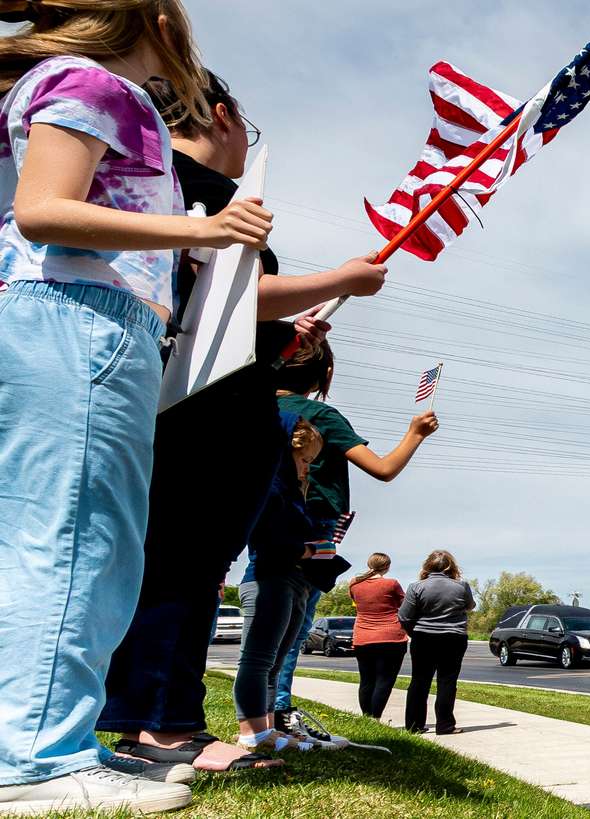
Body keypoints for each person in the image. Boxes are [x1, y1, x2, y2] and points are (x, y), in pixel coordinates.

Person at [0, 1, 267, 813]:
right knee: (82, 539)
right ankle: (38, 759)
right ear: (156, 16)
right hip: (84, 318)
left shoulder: (62, 84)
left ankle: (49, 741)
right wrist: (206, 231)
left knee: (60, 537)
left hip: (65, 318)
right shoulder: (97, 83)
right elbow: (41, 209)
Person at [97, 69, 387, 773]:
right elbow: (223, 293)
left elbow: (216, 310)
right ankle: (163, 724)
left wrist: (286, 337)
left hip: (189, 397)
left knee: (179, 564)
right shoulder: (201, 191)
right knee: (186, 563)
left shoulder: (157, 188)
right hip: (209, 414)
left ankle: (156, 718)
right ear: (220, 116)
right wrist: (341, 279)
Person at [269, 340, 438, 740]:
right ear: (324, 375)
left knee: (267, 614)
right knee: (294, 623)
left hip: (263, 518)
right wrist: (416, 433)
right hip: (315, 522)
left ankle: (260, 713)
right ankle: (276, 710)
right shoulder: (319, 415)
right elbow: (383, 469)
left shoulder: (253, 407)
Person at [233, 414, 328, 754]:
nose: (307, 469)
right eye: (305, 460)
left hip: (292, 578)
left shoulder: (292, 493)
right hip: (267, 578)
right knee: (258, 660)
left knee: (275, 662)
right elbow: (264, 535)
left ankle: (268, 728)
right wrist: (305, 548)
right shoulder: (269, 488)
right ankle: (251, 731)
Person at [399, 551, 475, 735]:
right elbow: (470, 606)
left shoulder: (416, 587)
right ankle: (445, 725)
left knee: (419, 681)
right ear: (451, 566)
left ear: (428, 565)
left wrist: (413, 632)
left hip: (423, 637)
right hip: (454, 638)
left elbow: (404, 616)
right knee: (447, 680)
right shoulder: (461, 586)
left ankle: (414, 725)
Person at [350, 553, 408, 720]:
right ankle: (374, 719)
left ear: (369, 564)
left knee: (366, 680)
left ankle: (366, 717)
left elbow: (357, 602)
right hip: (391, 637)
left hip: (363, 636)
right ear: (387, 566)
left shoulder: (354, 583)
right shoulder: (392, 584)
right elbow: (404, 606)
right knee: (384, 680)